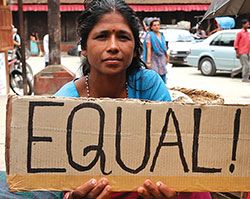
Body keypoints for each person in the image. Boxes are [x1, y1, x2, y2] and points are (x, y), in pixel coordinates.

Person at [55, 0, 211, 199]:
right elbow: (60, 177)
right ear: (84, 47)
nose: (113, 46)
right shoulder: (64, 101)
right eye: (102, 37)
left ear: (136, 49)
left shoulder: (149, 84)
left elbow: (171, 152)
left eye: (123, 37)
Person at [143, 18, 168, 84]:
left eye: (158, 25)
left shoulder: (162, 35)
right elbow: (148, 48)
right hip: (153, 58)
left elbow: (164, 47)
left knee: (163, 74)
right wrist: (148, 62)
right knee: (154, 76)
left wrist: (167, 56)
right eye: (154, 25)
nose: (157, 26)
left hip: (162, 58)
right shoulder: (150, 35)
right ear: (151, 27)